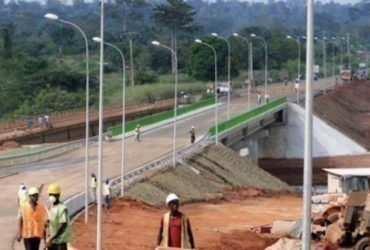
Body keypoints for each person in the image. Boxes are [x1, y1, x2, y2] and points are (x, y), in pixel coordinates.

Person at [46, 183, 73, 250]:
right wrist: (48, 222)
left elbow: (63, 225)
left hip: (60, 242)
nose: (51, 196)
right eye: (50, 194)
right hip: (53, 240)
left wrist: (52, 238)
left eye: (53, 195)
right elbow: (53, 220)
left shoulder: (62, 208)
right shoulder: (52, 207)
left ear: (58, 195)